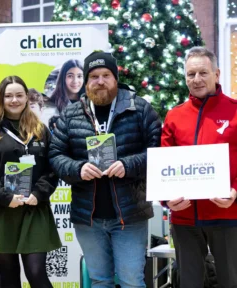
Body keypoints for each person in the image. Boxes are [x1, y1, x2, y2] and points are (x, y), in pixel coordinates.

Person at [49, 51, 162, 288]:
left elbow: (158, 152)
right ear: (87, 81)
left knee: (132, 281)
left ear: (115, 77)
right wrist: (78, 169)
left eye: (106, 75)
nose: (100, 81)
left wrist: (128, 165)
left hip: (129, 217)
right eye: (94, 76)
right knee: (100, 281)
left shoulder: (139, 109)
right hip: (87, 218)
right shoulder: (71, 114)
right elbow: (56, 155)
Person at [0, 75, 61, 288]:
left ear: (26, 97)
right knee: (9, 275)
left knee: (37, 272)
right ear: (0, 99)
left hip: (33, 208)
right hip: (1, 210)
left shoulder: (40, 131)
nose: (14, 100)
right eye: (8, 96)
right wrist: (5, 197)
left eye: (19, 95)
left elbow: (51, 169)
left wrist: (38, 194)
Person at [161, 46, 237, 288]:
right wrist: (167, 199)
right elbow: (163, 163)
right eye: (190, 74)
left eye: (203, 73)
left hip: (226, 215)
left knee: (231, 281)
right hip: (184, 219)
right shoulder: (174, 116)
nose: (196, 79)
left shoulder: (235, 111)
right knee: (189, 283)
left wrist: (235, 190)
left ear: (217, 74)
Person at [41, 59, 84, 126]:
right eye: (70, 76)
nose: (75, 81)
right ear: (63, 78)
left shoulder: (90, 103)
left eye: (79, 76)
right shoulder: (51, 104)